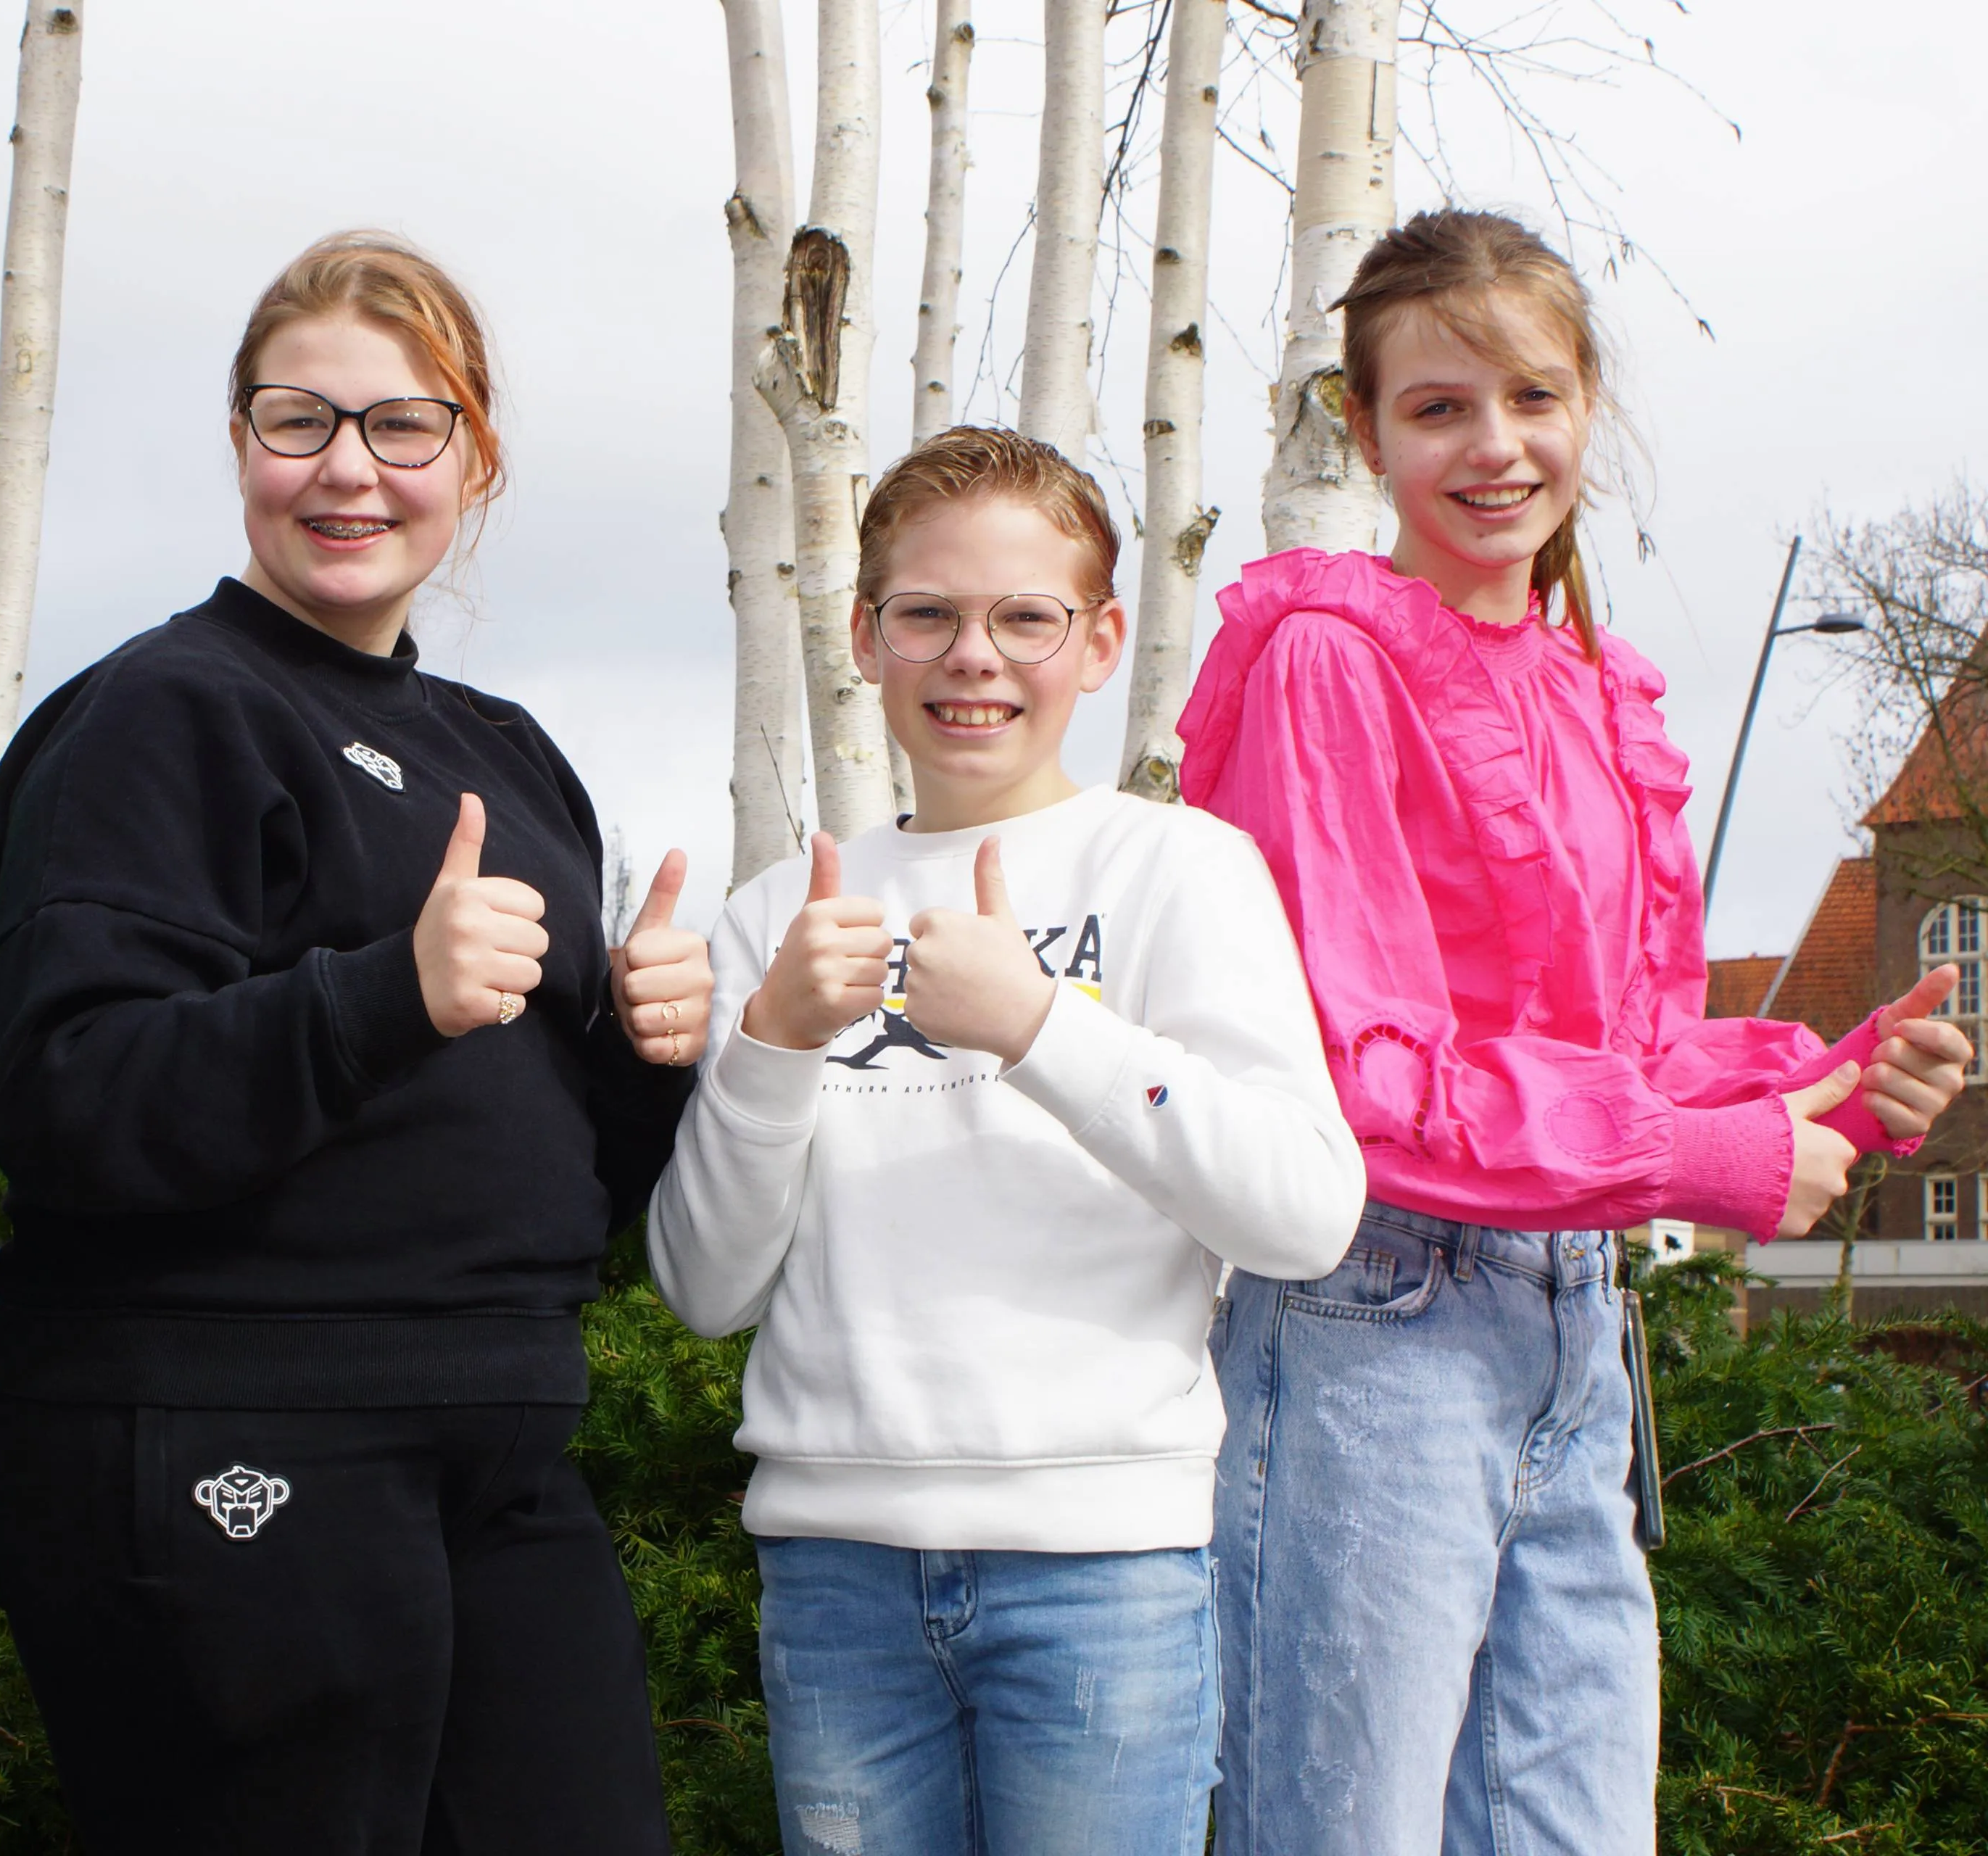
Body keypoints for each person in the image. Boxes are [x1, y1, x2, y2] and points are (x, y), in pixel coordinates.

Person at [1175, 207, 1974, 1855]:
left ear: (1587, 408)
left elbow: (1633, 1053)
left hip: (1574, 1314)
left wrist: (1838, 1084)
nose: (1495, 446)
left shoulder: (1595, 689)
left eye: (1532, 397)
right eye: (1439, 407)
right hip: (1375, 1312)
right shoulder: (1328, 657)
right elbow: (1364, 1079)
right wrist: (1711, 1157)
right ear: (1367, 431)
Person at [0, 231, 713, 1855]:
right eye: (299, 420)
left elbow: (562, 1174)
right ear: (241, 440)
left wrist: (655, 1055)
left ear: (474, 458)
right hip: (231, 1427)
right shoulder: (159, 711)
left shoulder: (511, 756)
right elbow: (66, 1097)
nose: (349, 469)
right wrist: (386, 993)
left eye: (402, 425)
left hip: (500, 1444)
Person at [648, 425, 1367, 1855]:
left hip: (1106, 1572)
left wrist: (1040, 1024)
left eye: (1025, 617)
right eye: (928, 613)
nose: (973, 655)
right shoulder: (777, 912)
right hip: (836, 1573)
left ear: (1099, 642)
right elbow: (706, 1286)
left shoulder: (1180, 868)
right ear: (866, 636)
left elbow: (1304, 1210)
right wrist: (775, 1040)